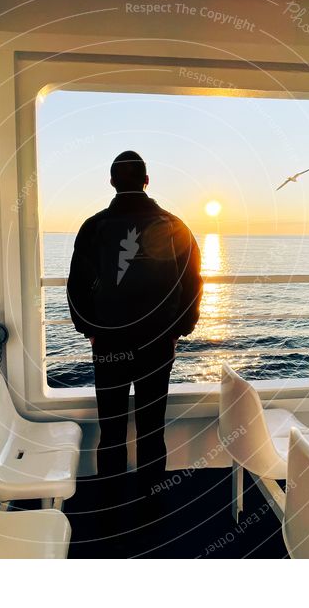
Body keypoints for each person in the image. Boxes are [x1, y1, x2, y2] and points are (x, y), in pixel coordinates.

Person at [66, 150, 203, 522]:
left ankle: (110, 503)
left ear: (112, 182)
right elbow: (192, 285)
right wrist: (179, 330)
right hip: (157, 346)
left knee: (111, 429)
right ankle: (151, 503)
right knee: (150, 426)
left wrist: (90, 332)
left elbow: (76, 287)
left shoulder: (93, 227)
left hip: (109, 345)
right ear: (147, 180)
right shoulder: (176, 226)